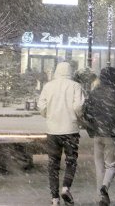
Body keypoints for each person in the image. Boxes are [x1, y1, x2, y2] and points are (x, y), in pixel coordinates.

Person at [38, 62, 85, 206]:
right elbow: (78, 106)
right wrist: (77, 116)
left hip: (53, 131)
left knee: (53, 164)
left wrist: (49, 115)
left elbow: (41, 106)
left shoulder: (48, 86)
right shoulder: (75, 86)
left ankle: (54, 198)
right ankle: (66, 187)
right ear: (70, 71)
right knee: (71, 161)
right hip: (70, 130)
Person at [83, 67, 115, 206]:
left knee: (99, 165)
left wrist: (91, 128)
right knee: (111, 165)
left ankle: (100, 197)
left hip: (97, 133)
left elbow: (86, 112)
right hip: (112, 134)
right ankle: (104, 187)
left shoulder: (94, 93)